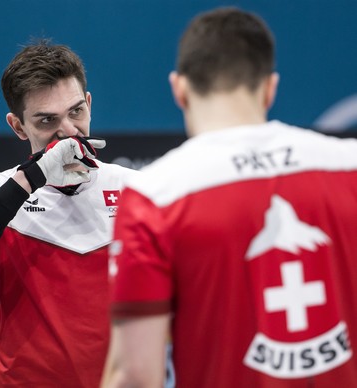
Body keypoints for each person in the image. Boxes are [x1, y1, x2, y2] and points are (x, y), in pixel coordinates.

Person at [101, 6, 357, 388]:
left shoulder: (155, 195)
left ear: (179, 89)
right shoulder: (348, 166)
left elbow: (135, 376)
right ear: (271, 87)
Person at [0, 40, 139, 387]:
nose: (69, 133)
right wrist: (31, 178)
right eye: (47, 120)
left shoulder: (139, 190)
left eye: (76, 112)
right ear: (18, 126)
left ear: (89, 104)